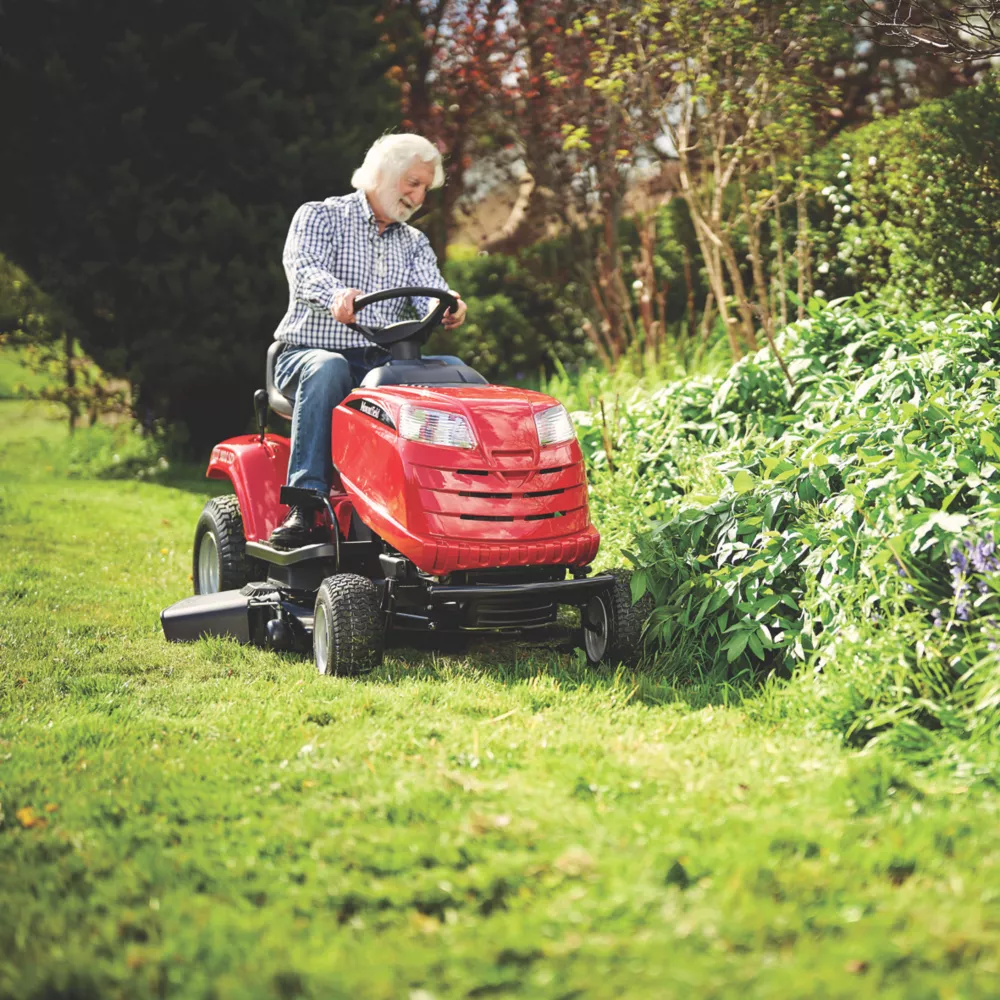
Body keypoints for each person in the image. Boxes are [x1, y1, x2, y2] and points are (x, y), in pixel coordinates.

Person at [268, 133, 467, 548]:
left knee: (451, 374)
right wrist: (335, 295)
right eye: (411, 183)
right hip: (305, 357)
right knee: (330, 366)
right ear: (383, 174)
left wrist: (450, 304)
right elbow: (305, 271)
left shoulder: (413, 243)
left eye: (424, 189)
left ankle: (451, 504)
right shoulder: (320, 217)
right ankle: (305, 505)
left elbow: (429, 287)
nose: (417, 197)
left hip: (377, 364)